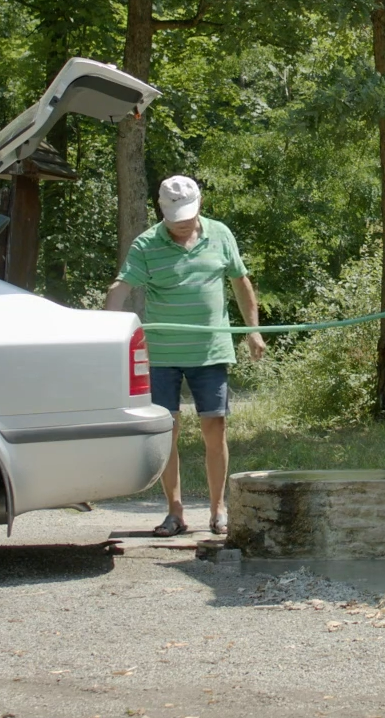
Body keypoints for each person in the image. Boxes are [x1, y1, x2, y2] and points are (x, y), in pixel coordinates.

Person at [105, 175, 265, 537]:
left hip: (210, 352)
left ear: (200, 205)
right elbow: (121, 288)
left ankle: (218, 509)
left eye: (188, 216)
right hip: (162, 355)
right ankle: (175, 512)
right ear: (162, 209)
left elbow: (241, 282)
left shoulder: (220, 234)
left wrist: (252, 331)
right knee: (167, 432)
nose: (182, 223)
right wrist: (108, 331)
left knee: (215, 427)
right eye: (175, 216)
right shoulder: (147, 244)